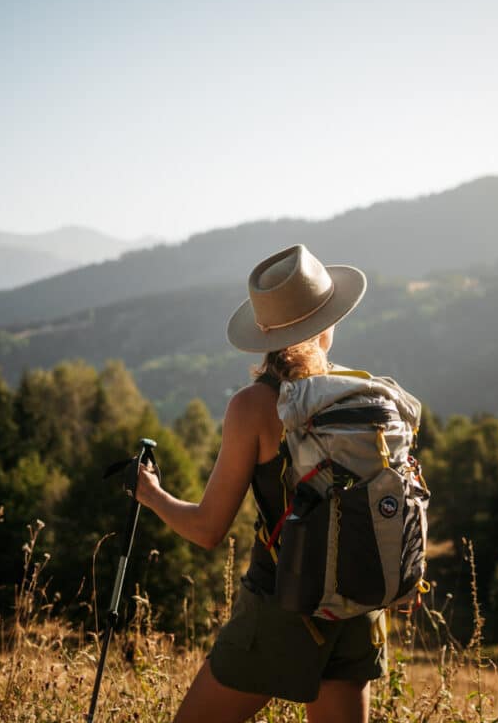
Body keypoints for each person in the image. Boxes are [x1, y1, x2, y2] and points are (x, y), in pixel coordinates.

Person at [134, 243, 387, 723]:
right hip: (357, 610)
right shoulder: (362, 397)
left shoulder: (253, 406)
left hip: (283, 609)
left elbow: (209, 530)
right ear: (327, 324)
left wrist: (152, 494)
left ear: (264, 333)